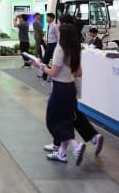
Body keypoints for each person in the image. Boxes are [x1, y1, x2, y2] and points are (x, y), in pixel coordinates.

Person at [32, 22, 87, 165]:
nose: (56, 34)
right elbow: (79, 72)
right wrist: (67, 71)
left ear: (62, 35)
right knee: (66, 120)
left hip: (60, 89)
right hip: (70, 88)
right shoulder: (75, 49)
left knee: (52, 121)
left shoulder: (60, 49)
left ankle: (75, 145)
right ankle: (61, 154)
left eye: (58, 31)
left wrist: (40, 65)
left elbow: (53, 73)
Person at [42, 13, 58, 81]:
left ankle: (51, 76)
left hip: (54, 45)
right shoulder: (48, 25)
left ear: (52, 18)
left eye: (47, 17)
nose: (46, 18)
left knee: (52, 61)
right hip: (49, 44)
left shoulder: (55, 26)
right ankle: (44, 75)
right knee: (45, 59)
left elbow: (57, 37)